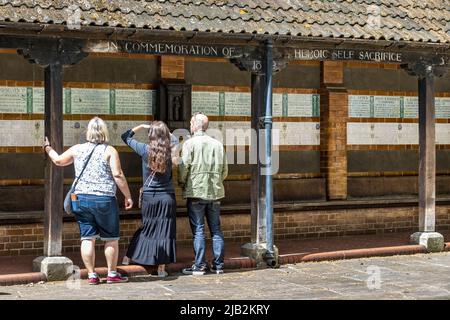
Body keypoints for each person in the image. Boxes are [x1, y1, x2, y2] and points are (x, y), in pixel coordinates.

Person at [42, 117, 133, 285]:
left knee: (87, 237)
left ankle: (92, 275)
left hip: (81, 199)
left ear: (88, 132)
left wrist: (47, 148)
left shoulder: (78, 149)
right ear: (104, 132)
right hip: (104, 199)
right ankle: (112, 274)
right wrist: (127, 195)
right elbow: (118, 175)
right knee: (111, 238)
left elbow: (58, 160)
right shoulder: (110, 151)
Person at [121, 122, 177, 277]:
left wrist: (142, 126)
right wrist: (165, 132)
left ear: (151, 135)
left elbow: (125, 137)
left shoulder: (144, 150)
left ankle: (128, 257)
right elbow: (176, 140)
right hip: (167, 197)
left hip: (149, 197)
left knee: (146, 227)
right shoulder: (170, 151)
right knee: (164, 231)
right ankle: (160, 269)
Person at [178, 112, 228, 275]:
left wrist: (183, 183)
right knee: (216, 229)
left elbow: (183, 167)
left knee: (198, 229)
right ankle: (218, 265)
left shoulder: (189, 144)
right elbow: (224, 170)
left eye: (191, 123)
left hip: (196, 192)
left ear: (194, 125)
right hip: (214, 193)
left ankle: (199, 265)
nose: (190, 125)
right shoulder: (217, 144)